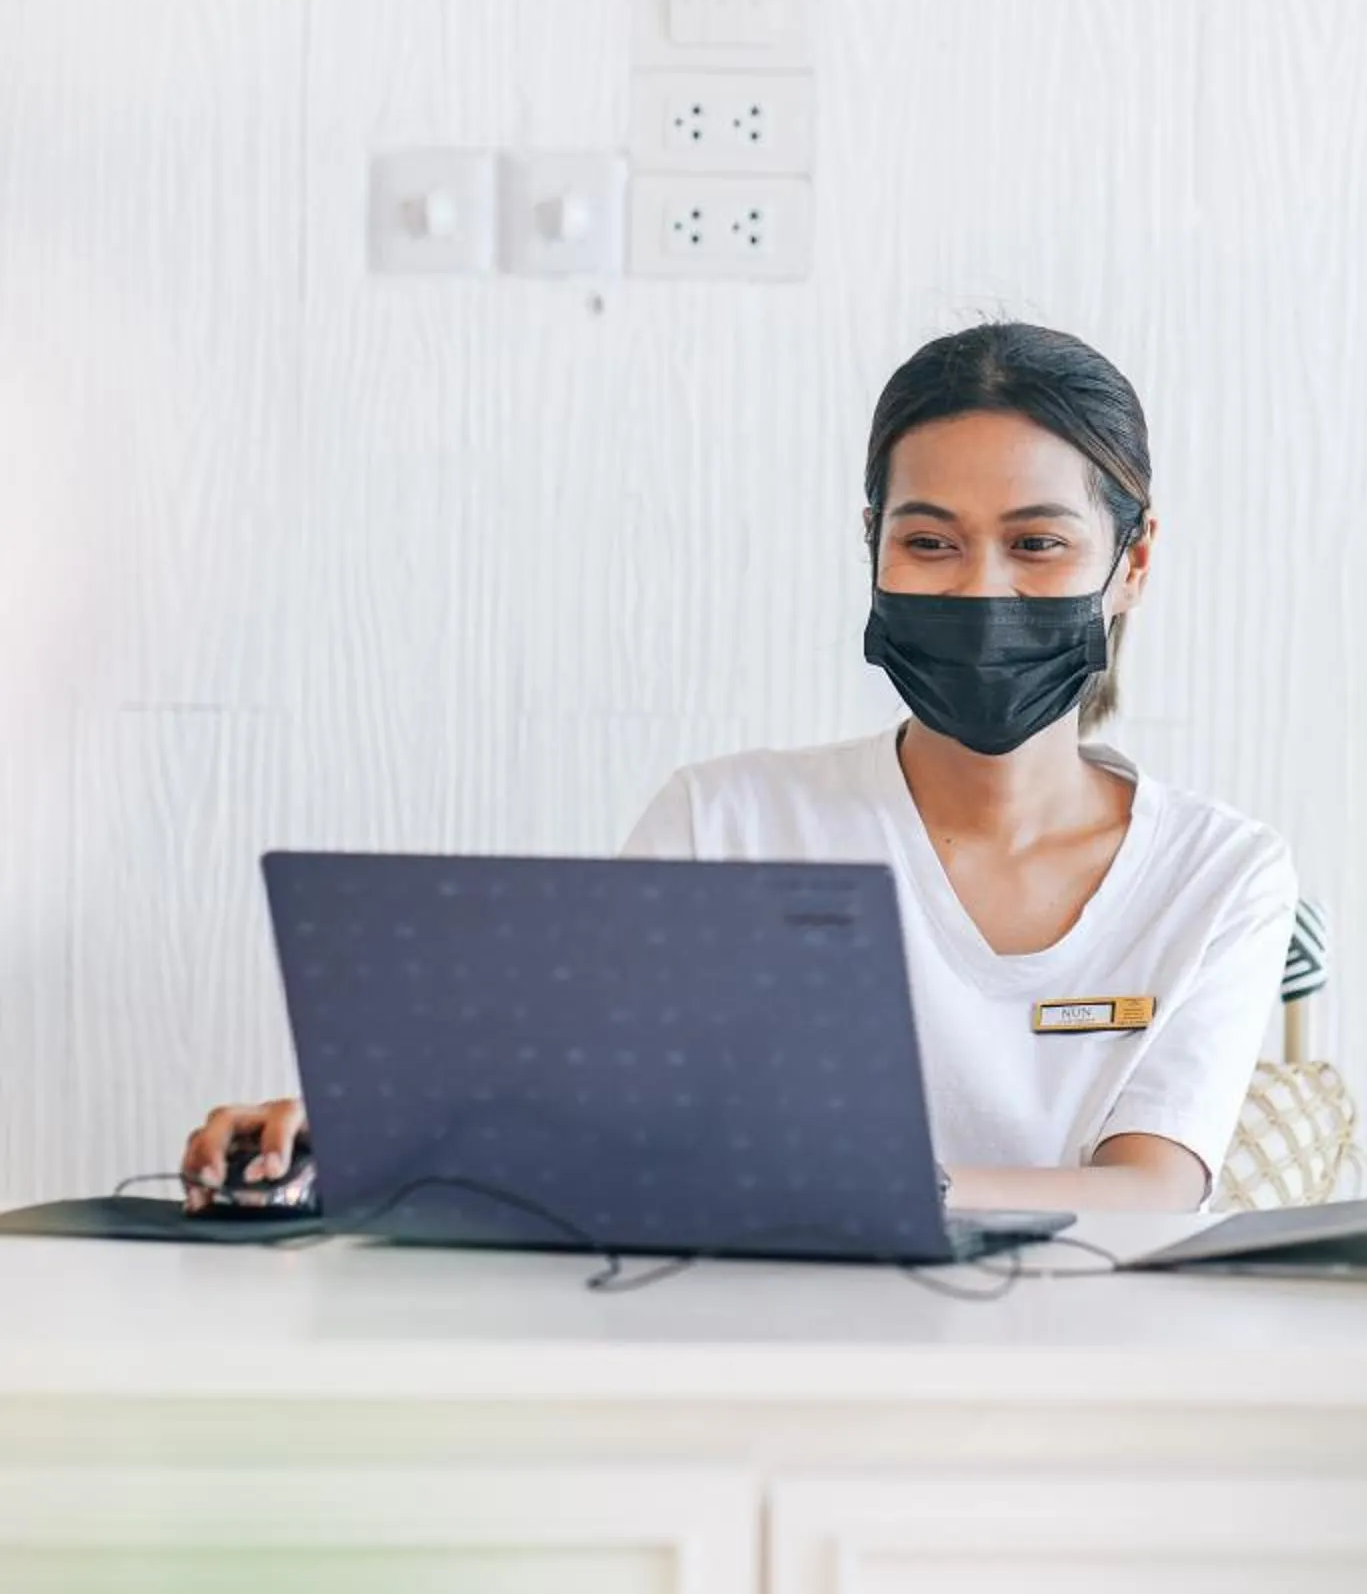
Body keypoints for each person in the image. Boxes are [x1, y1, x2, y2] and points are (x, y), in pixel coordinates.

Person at [182, 323, 1299, 1216]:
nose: (978, 590)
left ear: (1131, 561)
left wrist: (882, 1191)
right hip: (749, 1366)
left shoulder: (1220, 872)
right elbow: (575, 1113)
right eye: (929, 542)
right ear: (872, 547)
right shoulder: (726, 819)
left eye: (1037, 543)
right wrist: (352, 1130)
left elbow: (1146, 1189)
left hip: (1082, 1390)